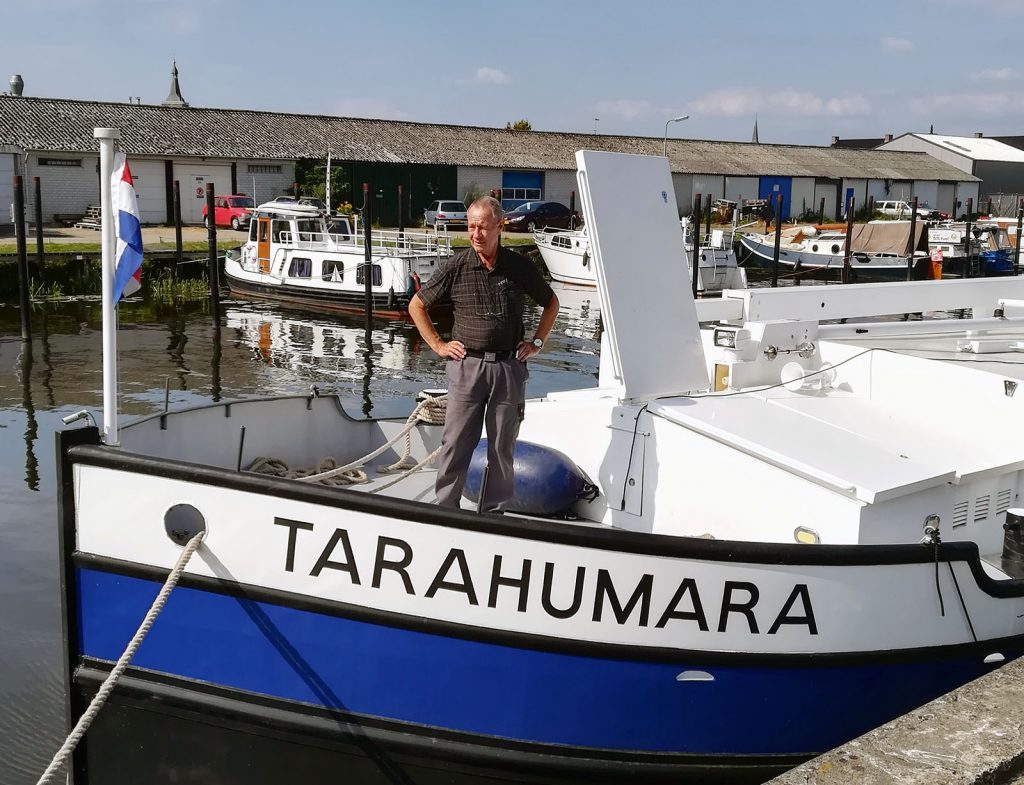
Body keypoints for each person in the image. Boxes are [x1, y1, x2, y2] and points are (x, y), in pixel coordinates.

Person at [409, 196, 559, 512]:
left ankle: (493, 513)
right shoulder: (456, 266)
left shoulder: (518, 267)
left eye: (483, 227)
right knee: (455, 443)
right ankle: (446, 507)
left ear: (499, 227)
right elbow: (417, 305)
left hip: (508, 366)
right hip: (467, 367)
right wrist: (438, 345)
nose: (476, 234)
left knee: (502, 446)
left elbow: (551, 303)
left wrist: (538, 343)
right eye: (471, 226)